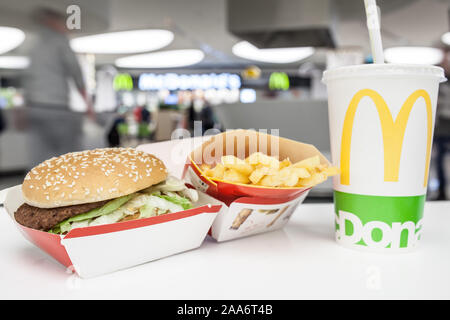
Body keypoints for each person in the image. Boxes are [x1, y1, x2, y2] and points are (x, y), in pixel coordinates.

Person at [23, 8, 94, 167]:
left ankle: (39, 188)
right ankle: (72, 186)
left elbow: (27, 78)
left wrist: (23, 108)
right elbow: (76, 74)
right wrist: (88, 105)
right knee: (68, 156)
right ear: (55, 22)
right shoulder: (60, 41)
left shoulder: (33, 45)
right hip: (57, 109)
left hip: (35, 109)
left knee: (39, 158)